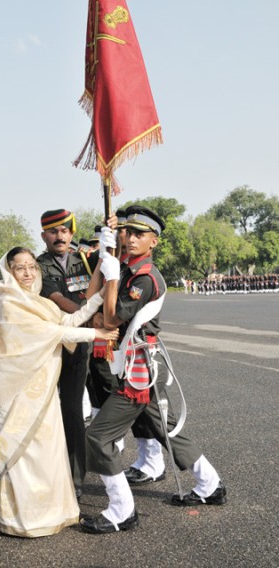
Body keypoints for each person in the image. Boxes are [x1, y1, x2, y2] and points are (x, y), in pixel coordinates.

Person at [80, 206, 227, 535]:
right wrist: (105, 258)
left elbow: (109, 319)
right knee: (167, 430)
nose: (130, 238)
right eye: (127, 232)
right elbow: (89, 303)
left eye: (139, 234)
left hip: (139, 371)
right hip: (135, 364)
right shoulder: (128, 268)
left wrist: (113, 274)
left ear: (154, 242)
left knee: (97, 436)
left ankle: (122, 508)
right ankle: (210, 484)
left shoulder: (143, 278)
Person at [0, 246, 118, 537]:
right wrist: (97, 334)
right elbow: (53, 333)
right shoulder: (7, 301)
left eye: (32, 266)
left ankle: (52, 512)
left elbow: (67, 320)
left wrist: (101, 294)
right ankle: (21, 521)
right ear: (9, 270)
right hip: (17, 393)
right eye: (20, 267)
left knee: (46, 452)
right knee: (23, 455)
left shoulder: (38, 302)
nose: (28, 273)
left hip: (41, 391)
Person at [36, 209, 102, 498]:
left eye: (64, 231)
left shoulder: (86, 261)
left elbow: (111, 268)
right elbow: (58, 298)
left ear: (72, 234)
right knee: (46, 408)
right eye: (53, 231)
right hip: (49, 344)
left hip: (79, 342)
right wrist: (90, 314)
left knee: (72, 407)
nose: (59, 236)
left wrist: (109, 236)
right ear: (44, 236)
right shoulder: (36, 266)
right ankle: (47, 468)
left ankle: (76, 475)